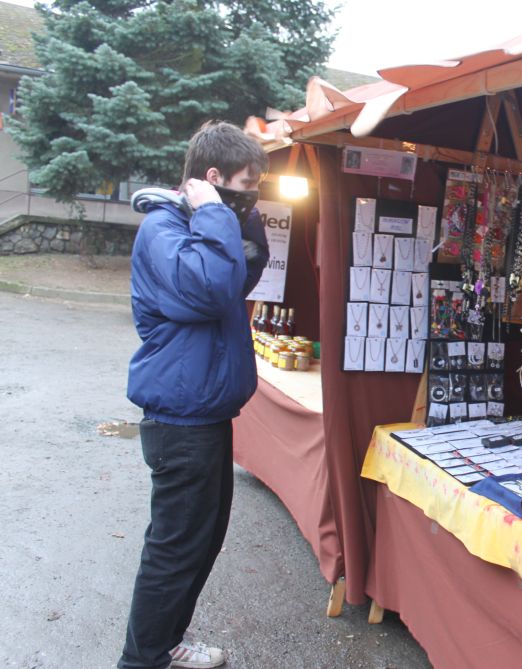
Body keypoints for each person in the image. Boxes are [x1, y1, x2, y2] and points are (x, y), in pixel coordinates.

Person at [119, 121, 270, 669]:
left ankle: (163, 643)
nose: (252, 196)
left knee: (199, 543)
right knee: (175, 548)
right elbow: (208, 290)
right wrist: (213, 215)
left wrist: (233, 216)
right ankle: (142, 659)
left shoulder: (203, 227)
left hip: (203, 413)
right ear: (211, 178)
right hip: (180, 420)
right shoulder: (163, 229)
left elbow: (241, 275)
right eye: (246, 186)